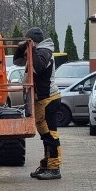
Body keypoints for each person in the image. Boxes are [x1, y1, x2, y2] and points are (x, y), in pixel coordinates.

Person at [13, 27, 61, 180]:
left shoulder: (44, 52)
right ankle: (46, 164)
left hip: (48, 98)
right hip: (41, 98)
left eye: (27, 41)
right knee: (45, 134)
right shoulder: (37, 51)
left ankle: (54, 167)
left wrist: (31, 49)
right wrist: (22, 49)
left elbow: (39, 68)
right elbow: (17, 61)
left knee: (50, 133)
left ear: (33, 42)